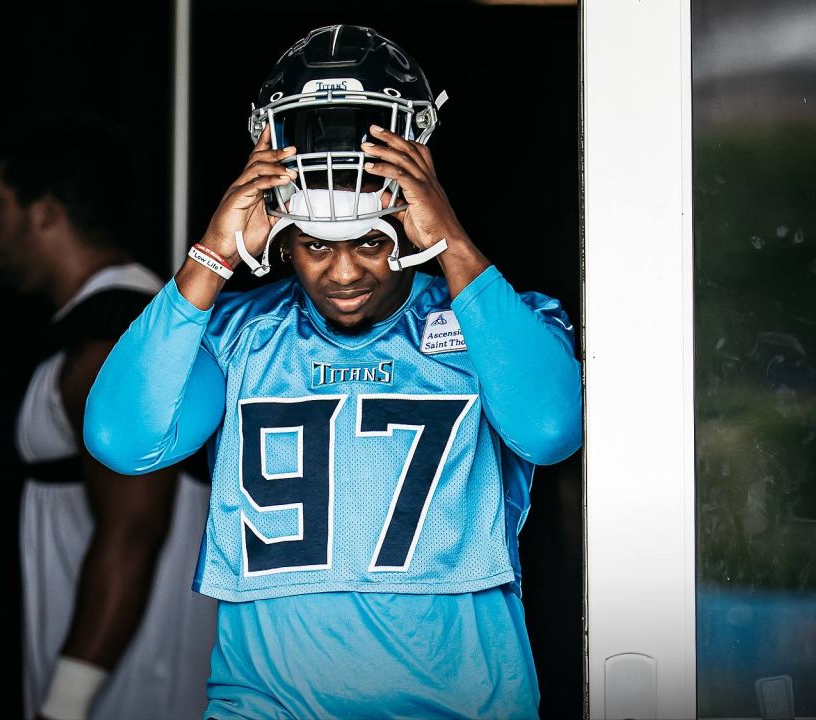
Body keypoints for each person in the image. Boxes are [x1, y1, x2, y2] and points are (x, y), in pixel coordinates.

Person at [85, 26, 581, 719]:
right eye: (317, 243)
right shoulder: (236, 334)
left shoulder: (498, 321)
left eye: (372, 243)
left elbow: (550, 429)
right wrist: (211, 257)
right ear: (283, 237)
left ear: (410, 225)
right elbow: (123, 437)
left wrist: (456, 246)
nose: (344, 272)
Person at [0, 117, 215, 720]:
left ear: (44, 213)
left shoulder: (114, 344)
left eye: (0, 207)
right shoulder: (121, 328)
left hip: (130, 687)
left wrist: (64, 705)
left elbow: (133, 529)